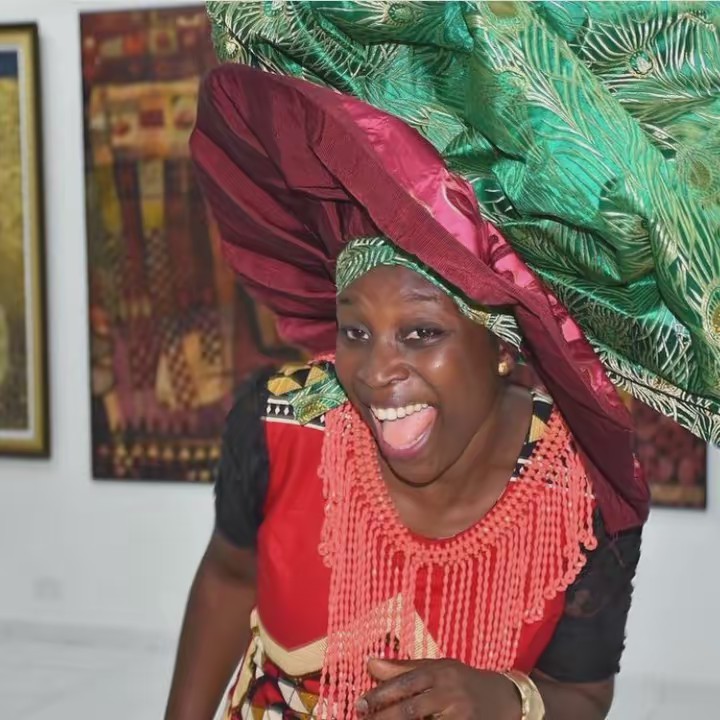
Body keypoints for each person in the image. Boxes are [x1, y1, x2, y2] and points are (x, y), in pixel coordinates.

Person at [165, 3, 720, 719]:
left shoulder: (581, 495)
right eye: (354, 330)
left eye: (421, 333)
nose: (376, 372)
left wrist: (505, 699)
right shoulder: (278, 425)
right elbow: (227, 576)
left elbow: (583, 695)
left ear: (501, 347)